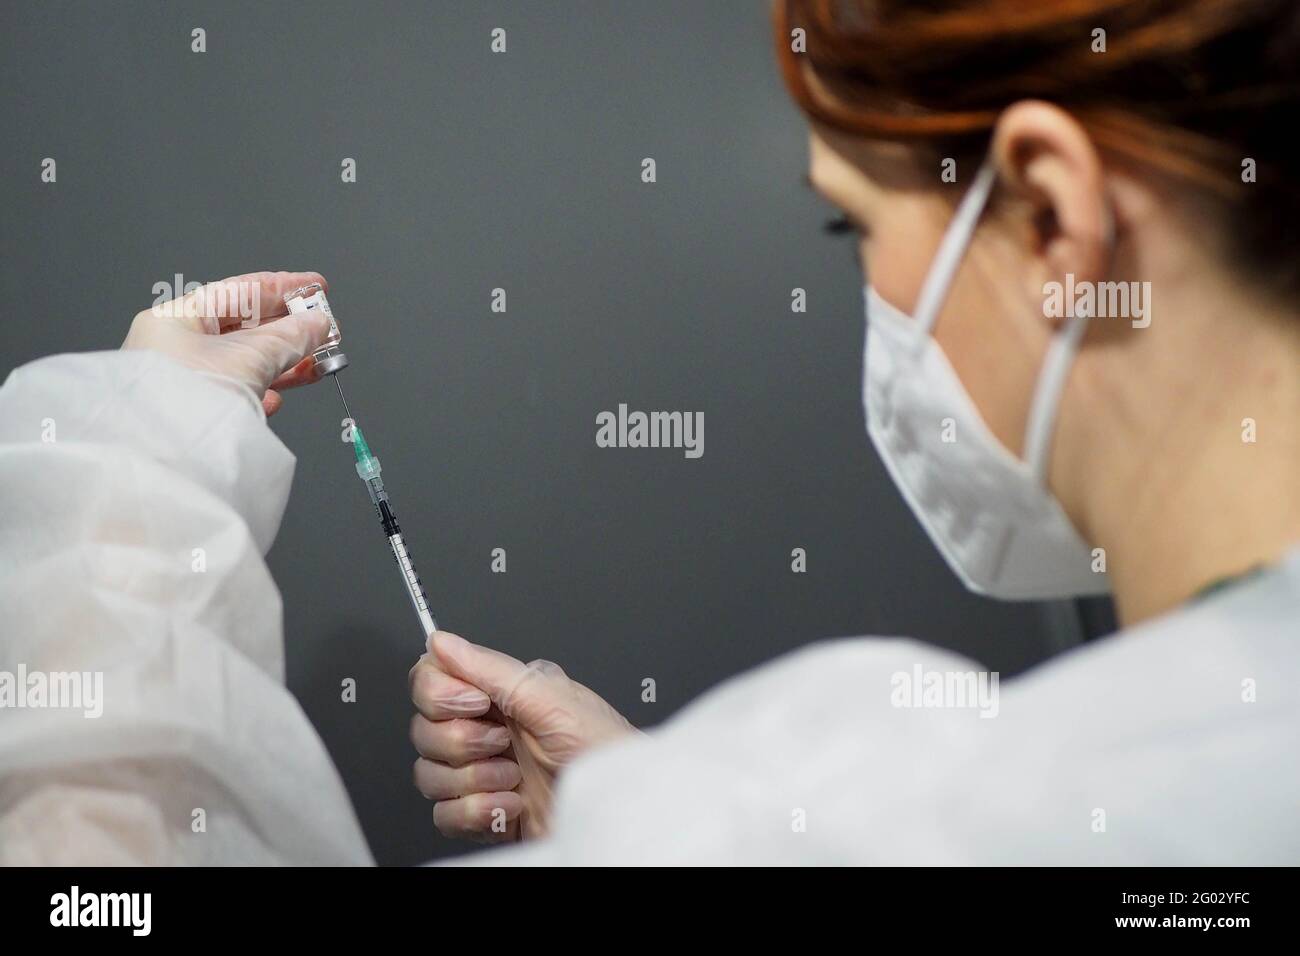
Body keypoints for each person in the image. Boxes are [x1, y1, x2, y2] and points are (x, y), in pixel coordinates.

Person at [1, 0, 1296, 865]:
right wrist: (642, 805)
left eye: (854, 225)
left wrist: (138, 448)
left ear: (1056, 222)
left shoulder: (936, 817)